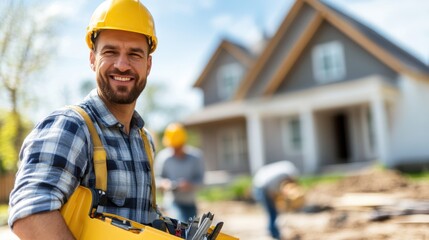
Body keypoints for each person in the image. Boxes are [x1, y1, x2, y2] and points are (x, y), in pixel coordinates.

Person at [8, 0, 159, 239]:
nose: (122, 65)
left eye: (134, 54)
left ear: (148, 64)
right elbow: (30, 213)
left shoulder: (144, 141)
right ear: (92, 59)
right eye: (110, 52)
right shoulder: (72, 126)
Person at [155, 123, 205, 222]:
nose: (175, 150)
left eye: (178, 146)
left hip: (190, 202)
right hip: (172, 202)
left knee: (191, 232)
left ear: (184, 142)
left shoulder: (195, 157)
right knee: (180, 224)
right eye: (173, 147)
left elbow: (201, 181)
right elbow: (155, 180)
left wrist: (190, 185)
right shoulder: (163, 158)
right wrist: (164, 184)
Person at [252, 160, 304, 240]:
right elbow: (272, 192)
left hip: (260, 183)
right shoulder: (283, 176)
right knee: (272, 212)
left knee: (272, 212)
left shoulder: (286, 169)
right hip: (261, 187)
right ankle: (274, 234)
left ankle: (273, 232)